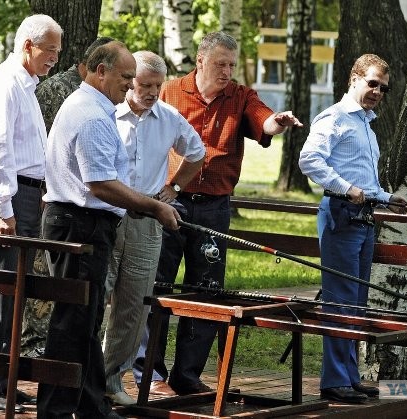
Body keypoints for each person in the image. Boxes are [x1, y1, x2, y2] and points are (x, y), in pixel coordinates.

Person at [132, 31, 303, 396]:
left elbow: (263, 120)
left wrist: (278, 121)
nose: (226, 71)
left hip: (213, 208)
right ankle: (148, 370)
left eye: (231, 64)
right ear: (200, 61)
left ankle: (187, 375)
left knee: (205, 292)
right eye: (220, 64)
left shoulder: (240, 96)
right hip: (169, 203)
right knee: (156, 284)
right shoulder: (171, 91)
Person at [36, 40, 180, 419]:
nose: (131, 85)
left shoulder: (91, 105)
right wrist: (154, 206)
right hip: (80, 226)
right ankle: (56, 409)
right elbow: (101, 184)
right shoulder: (94, 115)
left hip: (79, 222)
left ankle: (90, 405)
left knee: (84, 319)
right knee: (73, 321)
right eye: (126, 77)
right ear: (101, 71)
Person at [298, 53, 407, 404]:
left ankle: (348, 376)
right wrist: (346, 189)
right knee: (340, 301)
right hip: (340, 215)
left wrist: (387, 197)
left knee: (357, 303)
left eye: (383, 88)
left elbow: (363, 178)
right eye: (372, 83)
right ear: (354, 79)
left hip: (364, 219)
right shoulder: (334, 118)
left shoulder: (366, 122)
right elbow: (309, 160)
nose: (378, 91)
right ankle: (334, 381)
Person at [0, 14, 62, 414]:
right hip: (3, 194)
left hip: (23, 194)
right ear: (27, 45)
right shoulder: (6, 85)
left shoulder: (25, 85)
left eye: (57, 51)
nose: (54, 58)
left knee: (14, 290)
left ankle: (1, 379)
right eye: (50, 50)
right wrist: (5, 208)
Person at [101, 50, 206, 406]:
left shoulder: (169, 118)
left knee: (135, 304)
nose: (151, 92)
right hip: (108, 211)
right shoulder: (107, 113)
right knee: (99, 296)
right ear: (130, 82)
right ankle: (80, 377)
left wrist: (174, 189)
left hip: (148, 219)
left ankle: (111, 381)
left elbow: (197, 152)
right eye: (145, 85)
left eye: (157, 86)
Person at [20, 36, 115, 359]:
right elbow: (43, 145)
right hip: (55, 198)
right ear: (96, 67)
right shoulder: (58, 91)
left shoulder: (104, 98)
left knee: (81, 305)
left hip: (77, 203)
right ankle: (34, 346)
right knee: (48, 285)